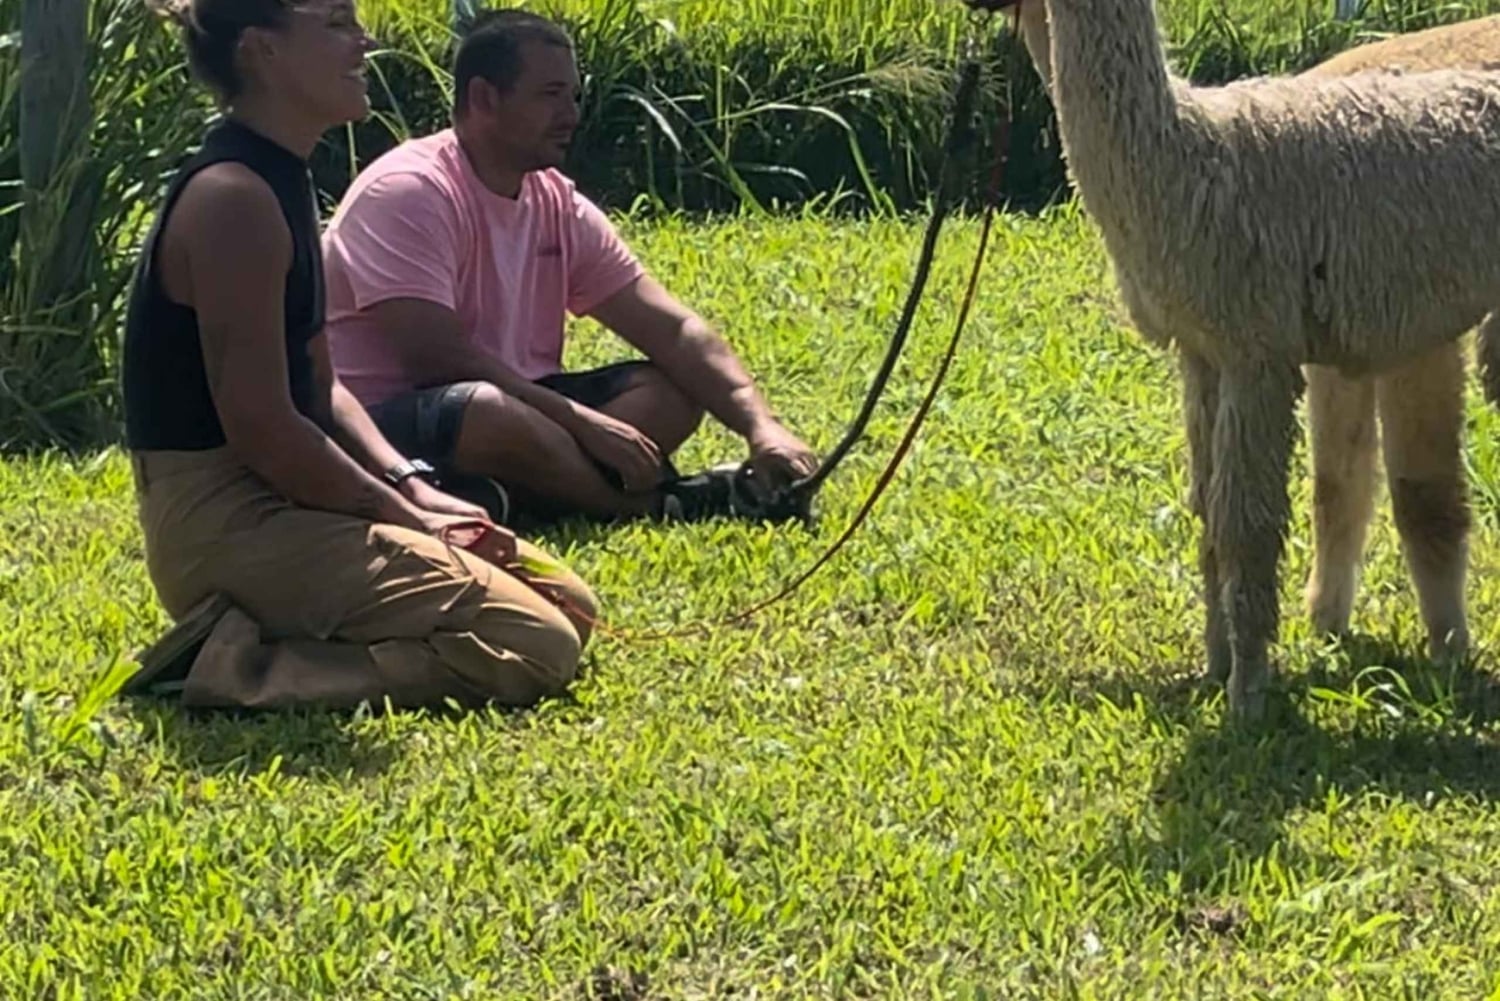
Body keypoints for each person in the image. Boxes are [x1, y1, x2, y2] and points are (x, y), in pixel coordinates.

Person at [119, 0, 597, 711]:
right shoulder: (233, 200)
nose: (364, 40)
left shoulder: (283, 178)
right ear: (262, 51)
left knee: (570, 603)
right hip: (226, 522)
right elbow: (266, 430)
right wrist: (408, 521)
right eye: (337, 23)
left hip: (289, 499)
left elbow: (323, 386)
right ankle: (231, 669)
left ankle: (270, 635)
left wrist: (413, 487)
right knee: (539, 642)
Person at [319, 8, 820, 526]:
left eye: (573, 96)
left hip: (520, 405)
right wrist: (581, 423)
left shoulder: (554, 202)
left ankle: (502, 497)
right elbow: (435, 360)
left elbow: (674, 329)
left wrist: (762, 426)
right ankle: (647, 506)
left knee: (671, 391)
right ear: (485, 98)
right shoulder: (411, 191)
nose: (572, 114)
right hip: (390, 420)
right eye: (550, 95)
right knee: (486, 413)